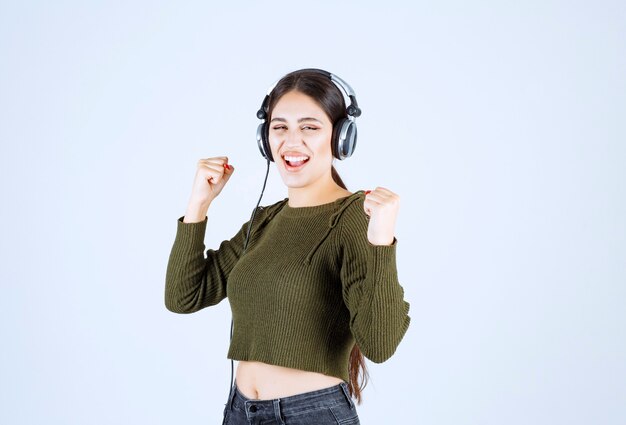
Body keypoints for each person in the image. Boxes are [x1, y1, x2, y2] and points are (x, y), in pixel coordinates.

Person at [165, 68, 411, 424]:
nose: (291, 142)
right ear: (265, 139)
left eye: (309, 127)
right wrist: (198, 205)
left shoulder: (355, 218)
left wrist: (381, 242)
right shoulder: (265, 220)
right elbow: (183, 296)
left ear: (341, 138)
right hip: (239, 411)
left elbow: (379, 343)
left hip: (309, 415)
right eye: (279, 127)